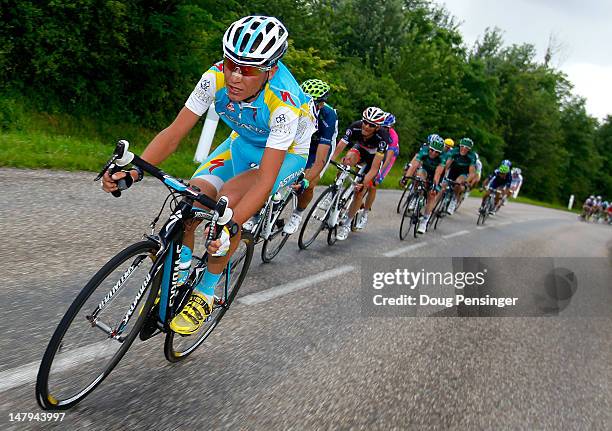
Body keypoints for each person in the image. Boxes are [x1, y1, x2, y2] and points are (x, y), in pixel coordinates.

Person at [102, 15, 315, 334]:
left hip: (284, 156)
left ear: (270, 70)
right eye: (231, 63)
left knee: (227, 207)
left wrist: (230, 225)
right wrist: (133, 171)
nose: (236, 77)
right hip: (240, 144)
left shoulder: (284, 103)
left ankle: (205, 291)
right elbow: (174, 134)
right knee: (191, 200)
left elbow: (266, 178)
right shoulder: (213, 78)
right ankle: (181, 271)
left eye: (250, 69)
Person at [283, 79, 338, 234]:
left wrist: (307, 179)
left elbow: (320, 159)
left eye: (312, 102)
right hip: (300, 141)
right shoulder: (295, 105)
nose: (306, 103)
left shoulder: (328, 116)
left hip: (318, 146)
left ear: (321, 103)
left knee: (308, 182)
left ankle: (298, 213)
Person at [330, 106, 390, 240]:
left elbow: (374, 168)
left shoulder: (383, 138)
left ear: (377, 127)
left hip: (374, 158)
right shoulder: (355, 127)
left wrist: (363, 183)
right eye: (365, 122)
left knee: (359, 191)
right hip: (361, 149)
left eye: (371, 125)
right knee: (346, 160)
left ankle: (346, 224)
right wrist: (331, 159)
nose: (366, 126)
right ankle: (335, 188)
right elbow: (341, 145)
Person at [357, 113, 400, 229]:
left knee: (373, 184)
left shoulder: (392, 137)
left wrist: (379, 174)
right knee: (357, 170)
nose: (383, 129)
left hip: (387, 156)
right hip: (373, 151)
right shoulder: (374, 129)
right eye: (381, 126)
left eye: (386, 127)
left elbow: (388, 158)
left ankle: (365, 214)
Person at [403, 135, 446, 234]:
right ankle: (415, 196)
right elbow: (414, 165)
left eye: (436, 152)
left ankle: (424, 221)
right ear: (429, 147)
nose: (433, 153)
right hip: (425, 170)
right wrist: (406, 178)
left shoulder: (443, 157)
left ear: (440, 152)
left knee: (431, 195)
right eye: (431, 150)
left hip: (436, 175)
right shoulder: (424, 150)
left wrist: (434, 186)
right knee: (418, 176)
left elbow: (438, 173)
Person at [442, 137, 477, 215]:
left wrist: (466, 181)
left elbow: (472, 173)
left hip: (463, 173)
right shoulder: (454, 151)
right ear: (460, 146)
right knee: (443, 185)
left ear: (469, 149)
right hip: (452, 171)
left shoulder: (472, 156)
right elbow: (447, 164)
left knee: (458, 183)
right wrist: (443, 174)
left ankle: (454, 200)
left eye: (466, 148)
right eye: (462, 146)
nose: (464, 149)